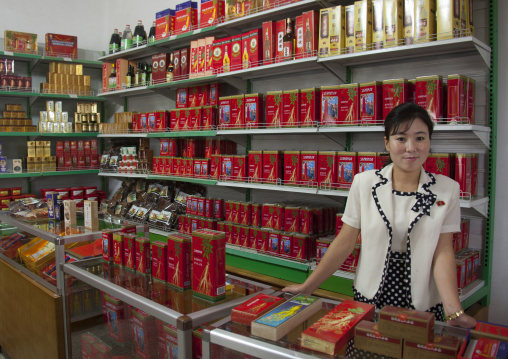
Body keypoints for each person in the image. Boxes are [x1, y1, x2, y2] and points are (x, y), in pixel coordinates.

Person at [283, 102, 476, 328]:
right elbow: (345, 242)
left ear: (429, 142)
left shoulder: (447, 189)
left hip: (423, 299)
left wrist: (454, 311)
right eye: (401, 138)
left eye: (420, 138)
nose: (411, 147)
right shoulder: (364, 183)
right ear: (387, 143)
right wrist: (308, 287)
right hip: (370, 295)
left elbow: (443, 251)